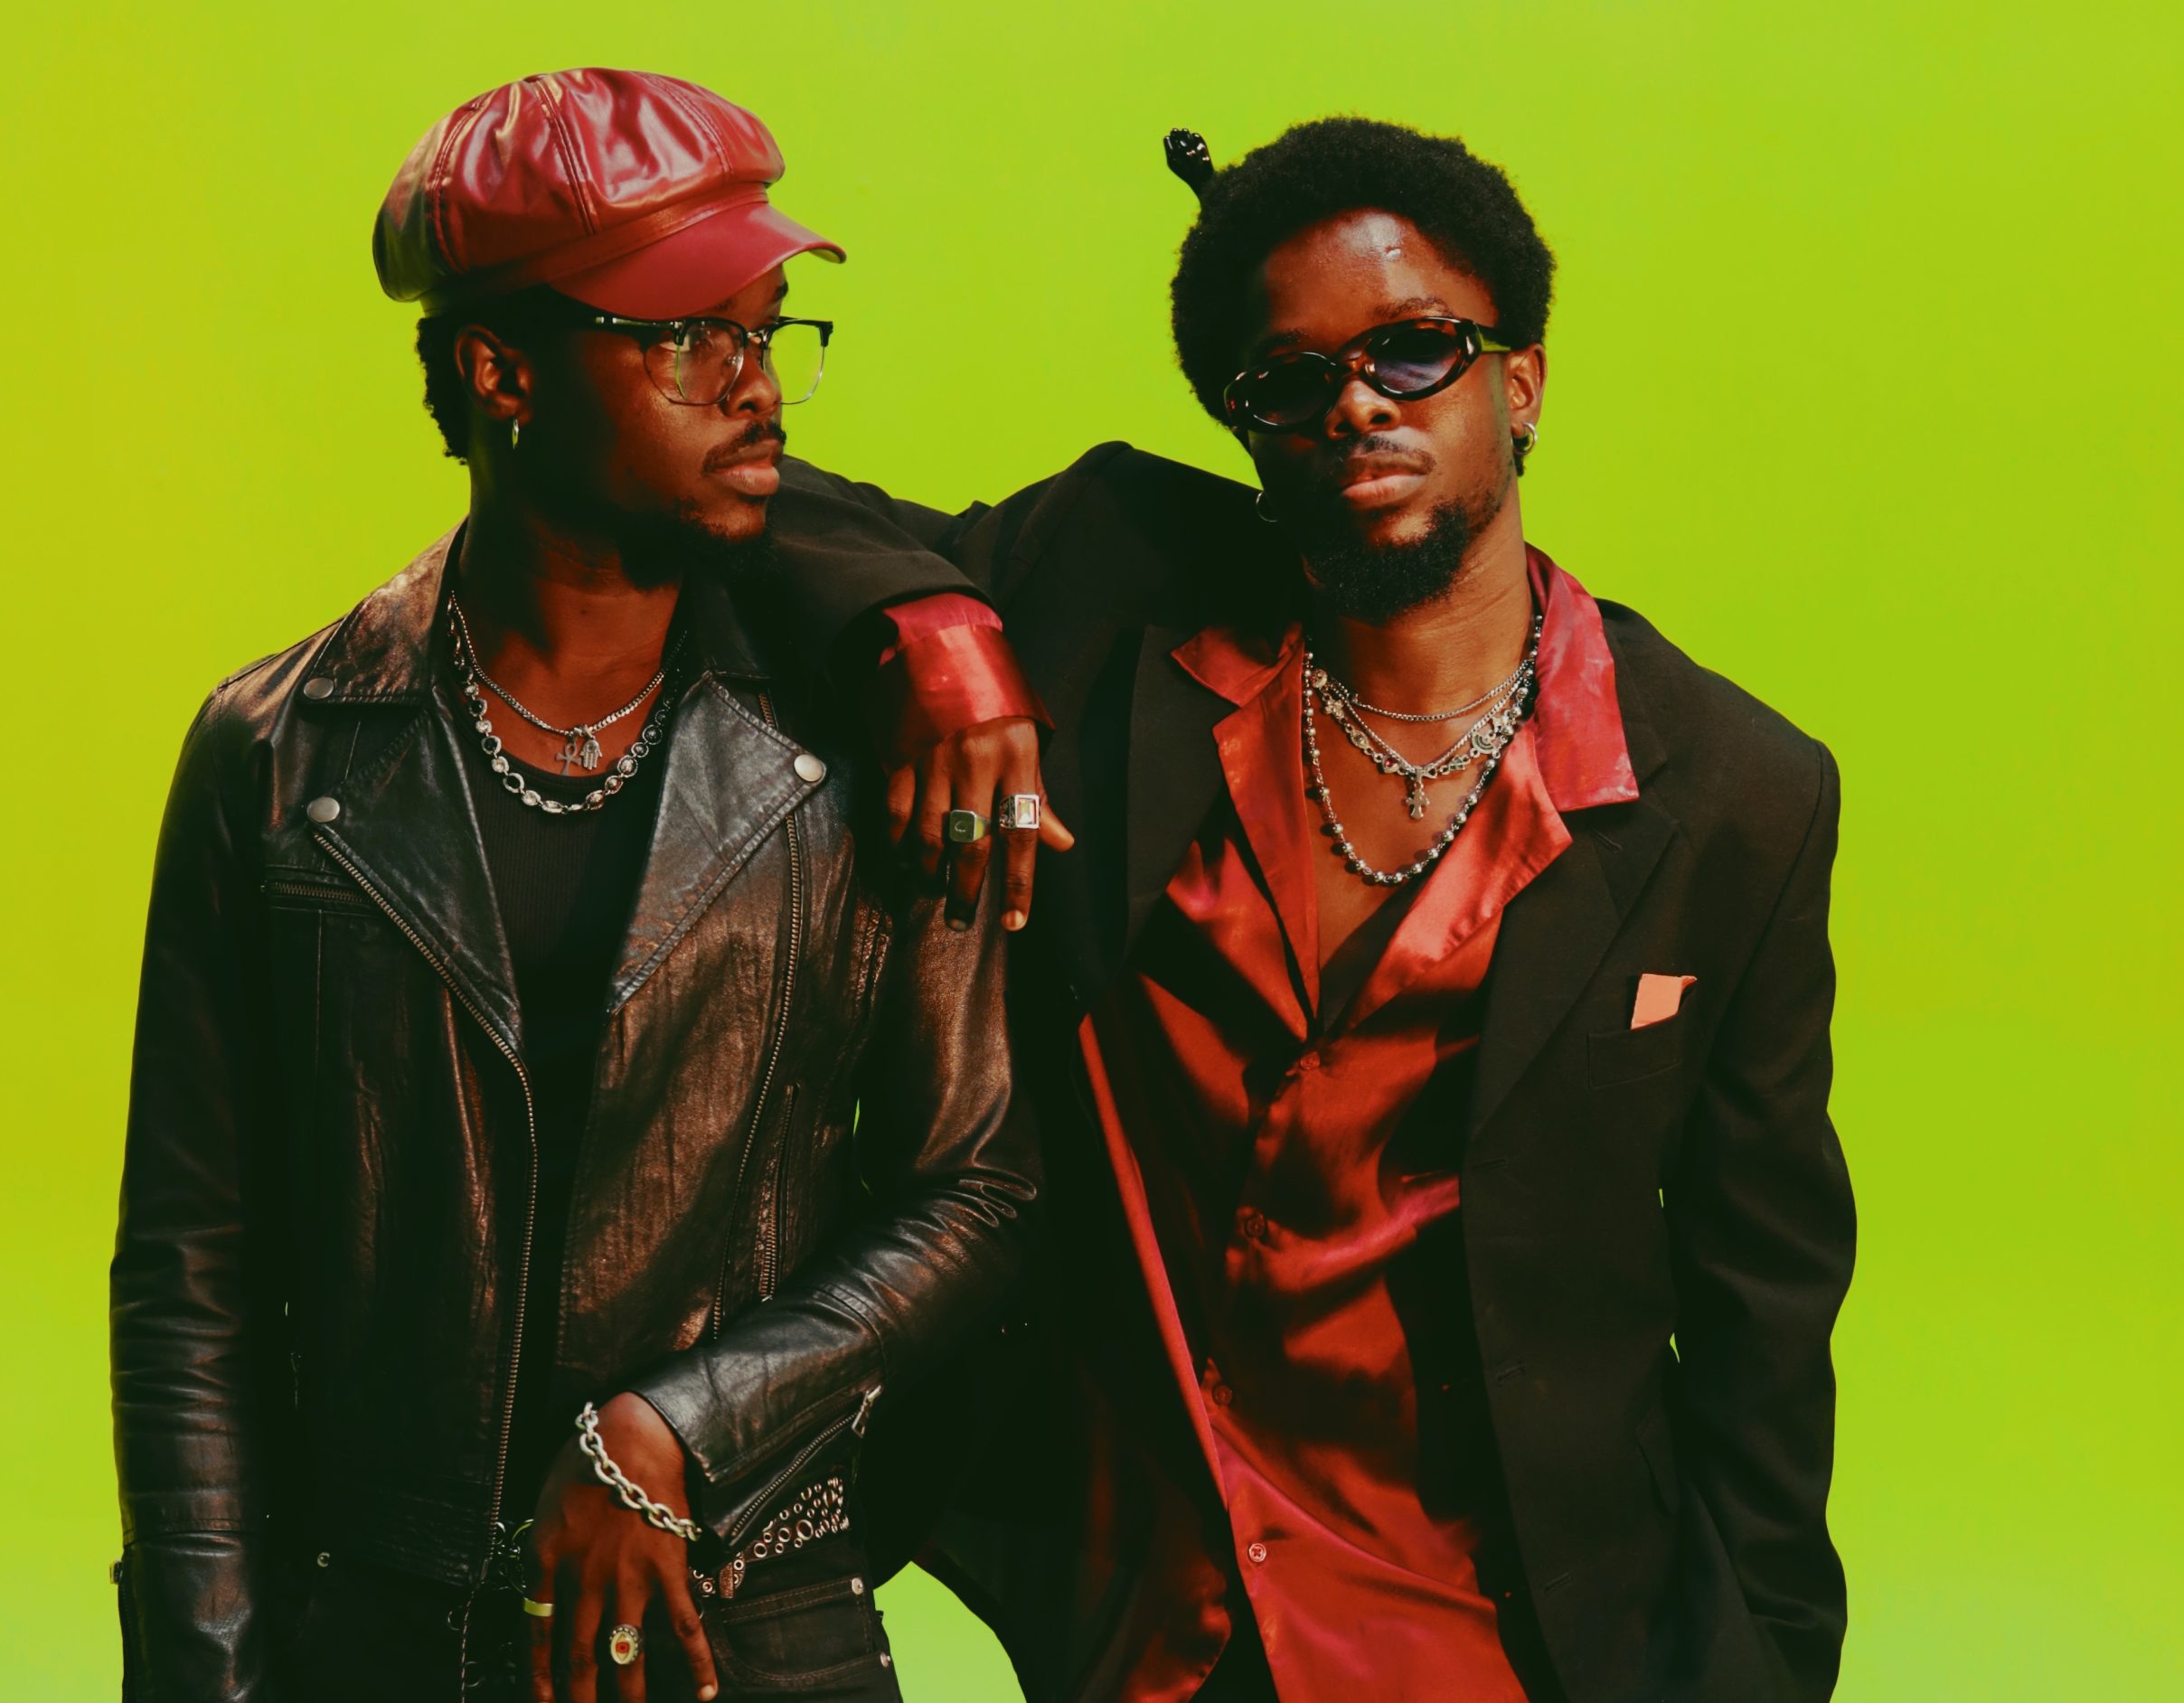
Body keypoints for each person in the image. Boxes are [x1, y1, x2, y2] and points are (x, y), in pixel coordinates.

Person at [772, 118, 1855, 1703]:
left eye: (1415, 350)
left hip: (1505, 1633)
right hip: (1141, 1616)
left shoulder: (1735, 793)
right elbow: (747, 495)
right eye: (1290, 380)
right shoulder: (1107, 585)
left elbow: (1764, 1316)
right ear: (1247, 425)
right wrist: (931, 624)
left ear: (1522, 382)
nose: (1357, 402)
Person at [108, 69, 1038, 1703]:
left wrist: (683, 1428)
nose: (757, 387)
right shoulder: (276, 750)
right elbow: (196, 1277)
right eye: (691, 338)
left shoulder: (864, 738)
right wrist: (202, 1670)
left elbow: (979, 1186)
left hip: (753, 1626)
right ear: (499, 371)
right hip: (379, 1640)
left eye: (768, 334)